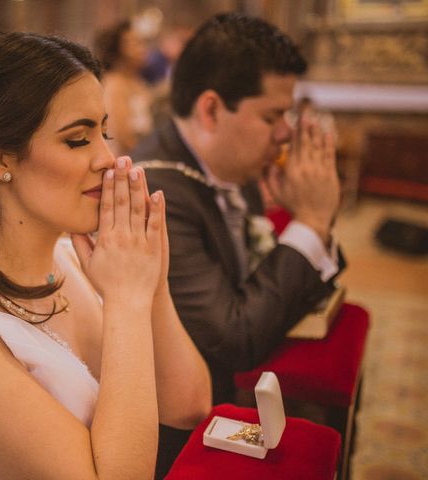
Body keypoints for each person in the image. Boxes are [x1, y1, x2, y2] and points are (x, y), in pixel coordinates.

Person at [0, 32, 209, 478]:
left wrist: (151, 286)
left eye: (105, 132)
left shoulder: (71, 260)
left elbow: (189, 407)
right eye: (78, 140)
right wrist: (127, 301)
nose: (109, 159)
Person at [131, 13, 345, 476]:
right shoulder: (155, 195)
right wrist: (309, 223)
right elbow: (236, 338)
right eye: (272, 115)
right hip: (172, 436)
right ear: (211, 110)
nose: (286, 132)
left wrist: (314, 228)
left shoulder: (230, 168)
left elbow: (267, 294)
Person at [94, 20, 153, 157]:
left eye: (142, 42)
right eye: (135, 43)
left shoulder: (138, 82)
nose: (143, 48)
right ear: (117, 50)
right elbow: (123, 136)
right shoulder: (114, 84)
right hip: (125, 159)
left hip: (141, 154)